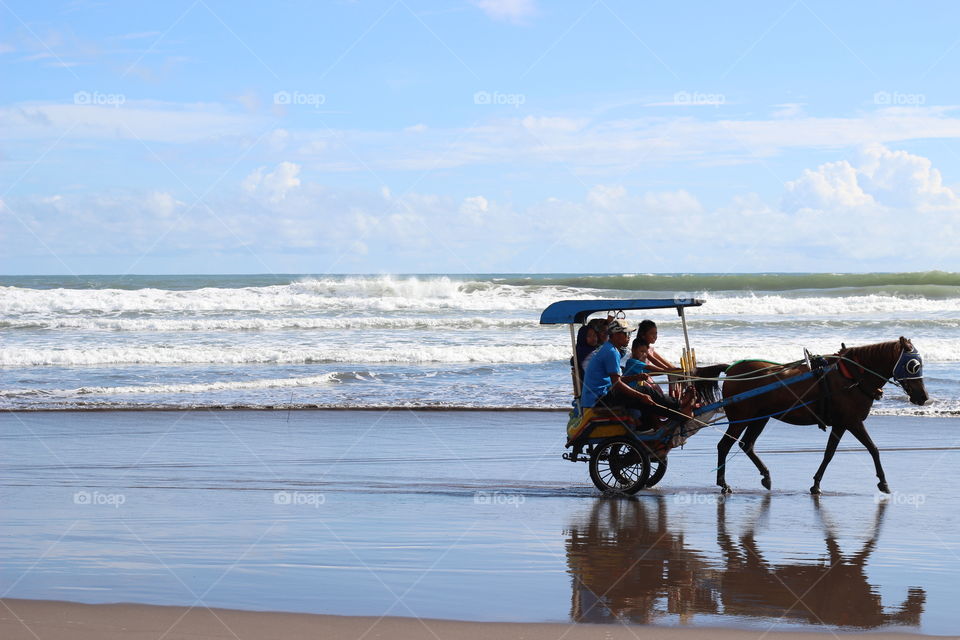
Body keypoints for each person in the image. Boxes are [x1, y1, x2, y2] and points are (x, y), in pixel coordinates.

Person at [580, 319, 695, 419]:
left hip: (600, 396)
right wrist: (640, 395)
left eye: (629, 334)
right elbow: (617, 384)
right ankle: (680, 404)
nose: (629, 337)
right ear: (615, 335)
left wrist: (636, 377)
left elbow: (615, 381)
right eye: (626, 334)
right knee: (644, 391)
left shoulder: (610, 348)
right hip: (599, 400)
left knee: (643, 401)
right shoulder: (611, 352)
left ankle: (679, 414)